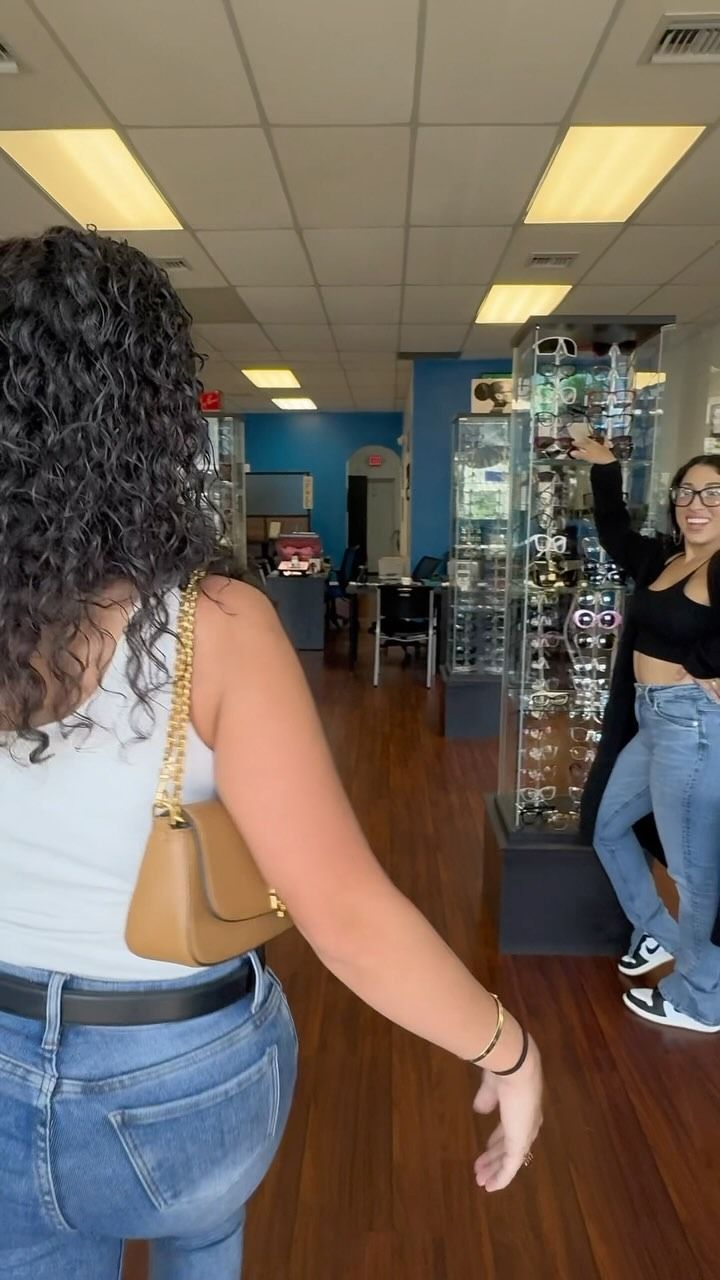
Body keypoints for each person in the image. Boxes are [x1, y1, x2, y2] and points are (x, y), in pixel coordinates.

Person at [0, 227, 542, 1280]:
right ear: (146, 413)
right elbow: (342, 914)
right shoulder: (211, 624)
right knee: (202, 1236)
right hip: (172, 1065)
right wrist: (508, 1048)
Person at [569, 436, 720, 1033]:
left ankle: (703, 997)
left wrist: (710, 666)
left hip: (694, 728)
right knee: (606, 827)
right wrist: (607, 471)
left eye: (713, 493)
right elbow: (613, 533)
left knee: (694, 871)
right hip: (653, 720)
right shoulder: (667, 558)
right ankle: (659, 934)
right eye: (687, 492)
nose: (696, 503)